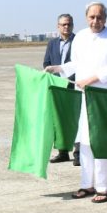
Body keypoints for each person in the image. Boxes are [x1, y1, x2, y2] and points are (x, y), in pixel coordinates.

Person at [45, 2, 107, 203]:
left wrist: (92, 79)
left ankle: (104, 188)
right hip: (83, 95)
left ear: (105, 18)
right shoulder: (80, 37)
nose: (95, 21)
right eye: (92, 17)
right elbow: (76, 63)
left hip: (103, 96)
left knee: (100, 142)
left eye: (99, 17)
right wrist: (58, 68)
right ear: (86, 17)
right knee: (85, 142)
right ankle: (87, 184)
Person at [44, 13, 77, 164]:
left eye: (69, 24)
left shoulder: (79, 41)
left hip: (74, 86)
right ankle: (62, 152)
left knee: (76, 120)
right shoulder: (52, 44)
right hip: (57, 87)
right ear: (58, 26)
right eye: (63, 24)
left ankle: (78, 154)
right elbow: (46, 63)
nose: (66, 27)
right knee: (59, 120)